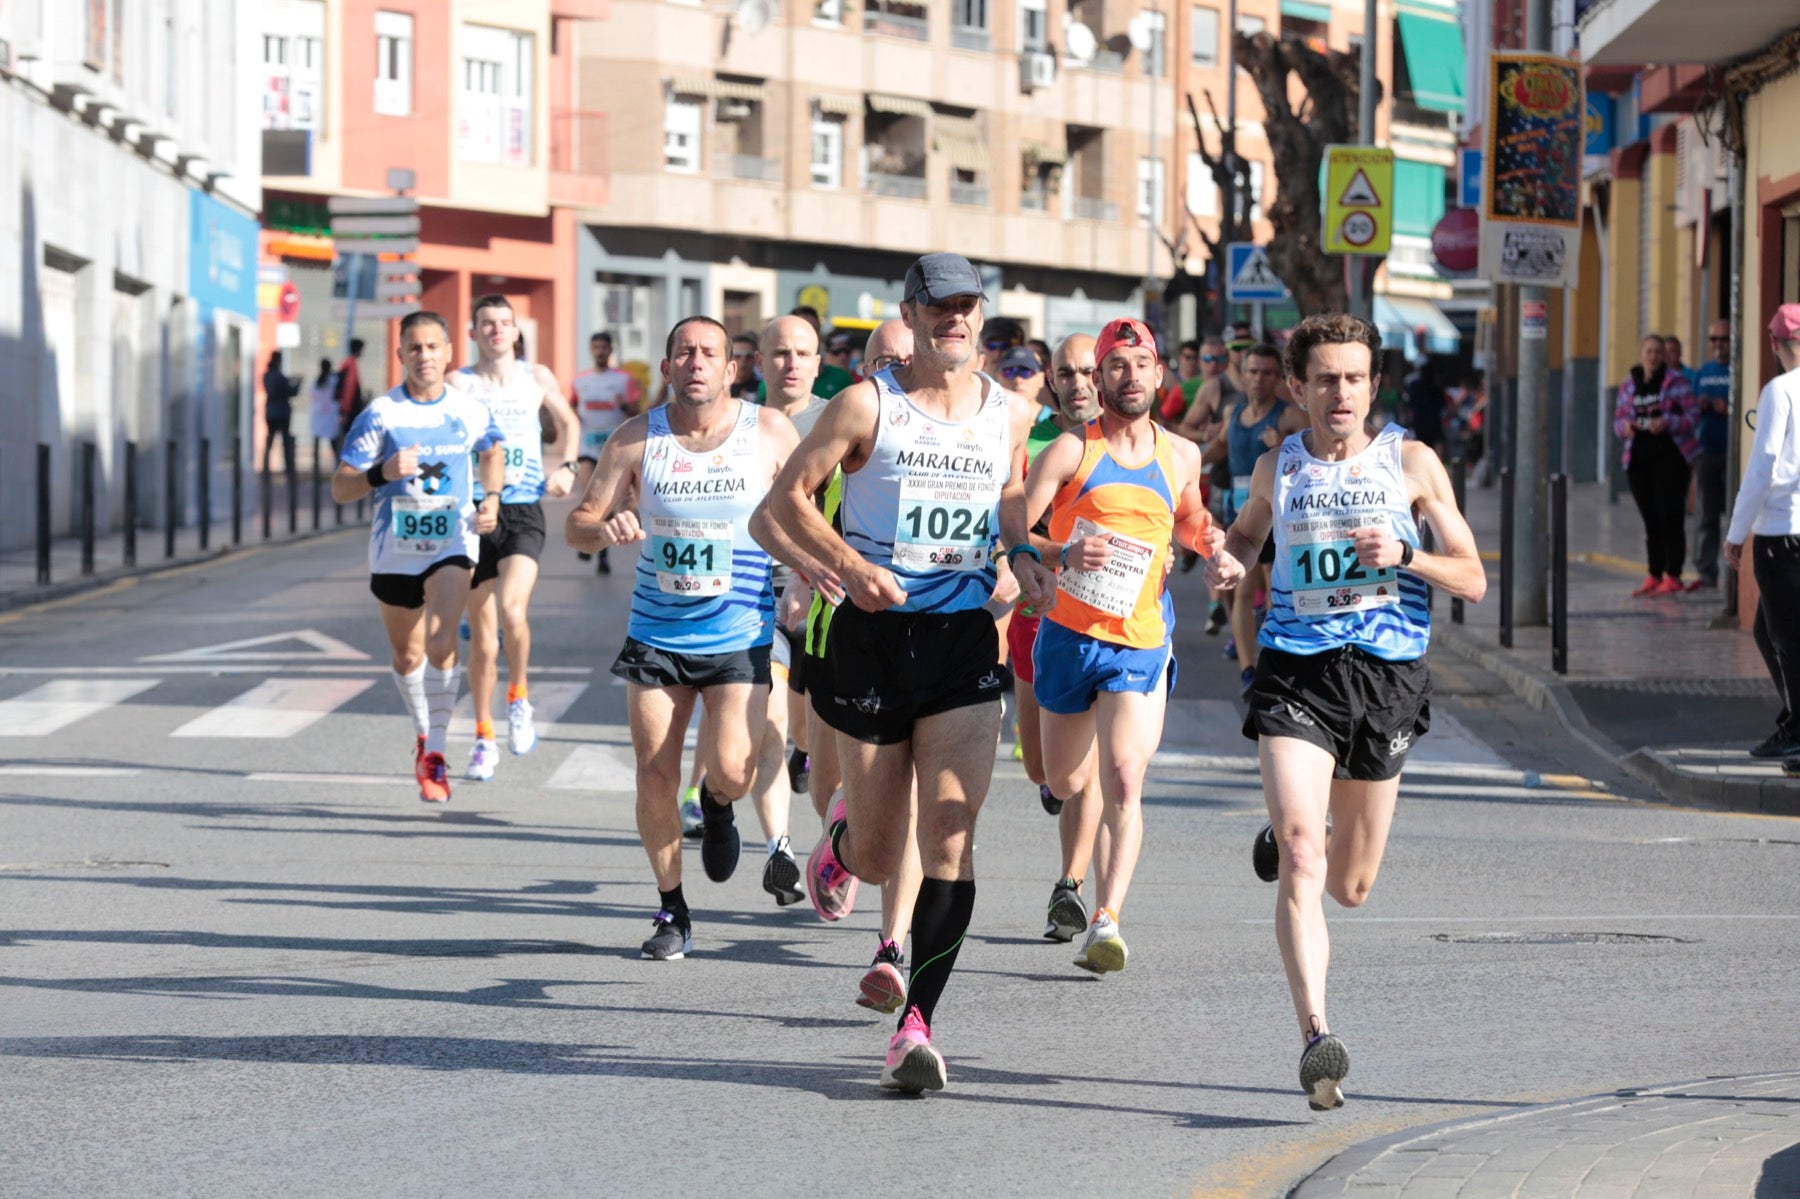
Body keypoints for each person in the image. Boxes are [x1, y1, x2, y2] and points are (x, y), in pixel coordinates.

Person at [755, 252, 1032, 1093]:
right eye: (939, 305)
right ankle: (840, 845)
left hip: (960, 640)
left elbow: (1011, 493)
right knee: (881, 854)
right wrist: (846, 563)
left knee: (949, 830)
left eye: (968, 306)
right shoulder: (865, 404)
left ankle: (917, 1024)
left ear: (981, 316)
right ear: (910, 315)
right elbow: (782, 504)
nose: (955, 318)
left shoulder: (1010, 413)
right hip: (873, 639)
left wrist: (1023, 551)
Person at [1206, 311, 1485, 1111]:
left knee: (1351, 886)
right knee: (1301, 855)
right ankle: (1316, 1034)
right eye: (1325, 378)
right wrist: (1229, 559)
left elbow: (1471, 579)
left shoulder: (1412, 461)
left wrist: (1407, 555)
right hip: (1297, 674)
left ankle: (1311, 830)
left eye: (1355, 377)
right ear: (1297, 386)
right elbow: (1247, 539)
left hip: (1387, 680)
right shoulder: (1276, 466)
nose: (1341, 392)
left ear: (1374, 384)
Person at [566, 315, 809, 960]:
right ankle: (672, 908)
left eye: (709, 353)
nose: (695, 362)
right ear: (668, 367)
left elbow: (815, 504)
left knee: (735, 768)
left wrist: (812, 572)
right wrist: (604, 529)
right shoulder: (633, 439)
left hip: (740, 631)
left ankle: (719, 804)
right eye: (683, 352)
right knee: (653, 774)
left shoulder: (769, 433)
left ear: (732, 370)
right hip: (657, 631)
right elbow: (578, 524)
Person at [1007, 319, 1218, 974]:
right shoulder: (1072, 451)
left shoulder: (1181, 453)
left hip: (1140, 640)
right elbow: (1015, 524)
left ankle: (1107, 916)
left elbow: (1188, 516)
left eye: (1142, 363)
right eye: (1116, 366)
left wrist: (1213, 548)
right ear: (1099, 381)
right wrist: (1059, 550)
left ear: (1160, 374)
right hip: (1069, 635)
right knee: (1064, 777)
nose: (1130, 376)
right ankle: (1078, 783)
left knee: (1124, 776)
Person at [332, 312, 505, 804]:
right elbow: (340, 487)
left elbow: (493, 450)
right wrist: (379, 472)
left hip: (454, 540)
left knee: (442, 638)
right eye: (415, 348)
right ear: (401, 355)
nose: (425, 356)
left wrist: (491, 497)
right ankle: (422, 730)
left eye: (433, 347)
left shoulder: (468, 409)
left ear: (449, 351)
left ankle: (436, 749)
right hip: (395, 550)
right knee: (407, 655)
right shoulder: (382, 413)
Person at [455, 295, 582, 781]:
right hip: (474, 515)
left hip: (524, 507)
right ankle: (484, 737)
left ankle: (520, 698)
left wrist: (568, 468)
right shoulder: (460, 383)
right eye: (487, 324)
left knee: (512, 610)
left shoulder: (537, 376)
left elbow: (569, 423)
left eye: (504, 323)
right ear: (474, 333)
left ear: (514, 331)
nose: (496, 331)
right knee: (483, 643)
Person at [1011, 333, 1107, 943]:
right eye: (1066, 373)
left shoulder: (1131, 440)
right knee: (1043, 769)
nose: (1078, 384)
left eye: (1087, 371)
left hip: (1106, 622)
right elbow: (1007, 515)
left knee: (1093, 769)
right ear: (1052, 378)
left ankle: (1070, 887)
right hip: (1035, 613)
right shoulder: (1034, 438)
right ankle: (1056, 783)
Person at [1201, 344, 1309, 695]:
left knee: (1277, 592)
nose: (1259, 379)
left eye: (1267, 372)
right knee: (1243, 594)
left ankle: (1275, 662)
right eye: (1253, 371)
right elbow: (1214, 449)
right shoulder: (1233, 414)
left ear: (1279, 379)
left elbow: (1317, 458)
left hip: (1279, 519)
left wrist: (1283, 443)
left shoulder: (1289, 416)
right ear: (1243, 374)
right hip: (1241, 514)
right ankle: (1249, 669)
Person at [1727, 304, 1800, 760]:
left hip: (1780, 532)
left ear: (1773, 344)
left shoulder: (1779, 391)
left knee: (1785, 637)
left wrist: (1737, 532)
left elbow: (1762, 467)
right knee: (1767, 630)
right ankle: (1793, 715)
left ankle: (1797, 726)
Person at [1613, 333, 1701, 595]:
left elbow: (1693, 416)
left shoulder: (1677, 382)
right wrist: (1625, 427)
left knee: (1670, 516)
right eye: (1649, 351)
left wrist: (1668, 422)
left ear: (1665, 356)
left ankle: (1673, 575)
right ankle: (1654, 573)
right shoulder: (1629, 385)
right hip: (1638, 460)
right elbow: (1618, 419)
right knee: (1650, 520)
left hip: (1671, 458)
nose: (1653, 357)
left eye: (1658, 352)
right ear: (1641, 354)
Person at [570, 331, 643, 575]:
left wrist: (623, 404)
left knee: (608, 501)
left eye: (604, 347)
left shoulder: (624, 379)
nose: (600, 351)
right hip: (588, 446)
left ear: (610, 350)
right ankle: (590, 539)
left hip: (614, 448)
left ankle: (601, 552)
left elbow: (636, 411)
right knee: (588, 496)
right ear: (591, 350)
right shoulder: (580, 380)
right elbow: (570, 408)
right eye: (596, 347)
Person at [1693, 321, 1732, 591]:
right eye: (1714, 339)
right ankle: (1707, 571)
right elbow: (1690, 409)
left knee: (1733, 513)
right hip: (1707, 451)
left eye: (1723, 339)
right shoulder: (1703, 372)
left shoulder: (1737, 369)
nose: (1718, 344)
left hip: (1732, 452)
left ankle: (1734, 575)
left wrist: (1727, 407)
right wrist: (1701, 405)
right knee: (1708, 515)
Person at [262, 352, 298, 476]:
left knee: (270, 440)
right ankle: (288, 469)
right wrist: (297, 384)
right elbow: (291, 392)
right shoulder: (279, 377)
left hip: (270, 412)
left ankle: (265, 467)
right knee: (286, 442)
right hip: (281, 413)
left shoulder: (267, 376)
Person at [309, 357, 341, 461]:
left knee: (317, 443)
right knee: (334, 443)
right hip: (330, 415)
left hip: (318, 414)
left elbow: (312, 395)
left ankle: (316, 470)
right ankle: (337, 465)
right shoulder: (335, 380)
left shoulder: (315, 381)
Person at [336, 338, 366, 435]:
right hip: (351, 408)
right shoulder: (351, 364)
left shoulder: (347, 362)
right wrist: (346, 410)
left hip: (349, 408)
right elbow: (349, 388)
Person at [730, 333, 761, 399]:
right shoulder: (718, 389)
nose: (743, 361)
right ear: (728, 358)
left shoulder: (764, 389)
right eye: (737, 356)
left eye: (749, 356)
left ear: (756, 359)